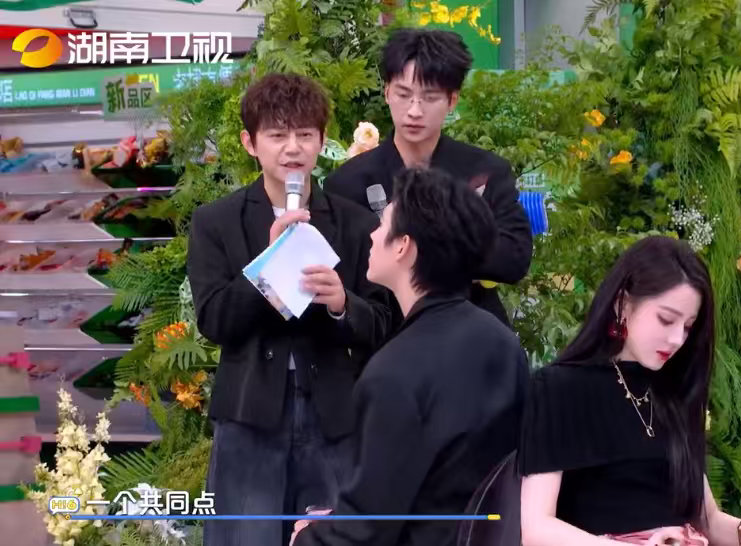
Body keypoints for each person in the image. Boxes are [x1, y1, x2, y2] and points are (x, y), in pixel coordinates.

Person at [187, 73, 394, 546]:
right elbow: (214, 319)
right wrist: (271, 268)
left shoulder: (354, 222)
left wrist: (342, 304)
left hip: (334, 414)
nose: (292, 148)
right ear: (250, 143)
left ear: (322, 140)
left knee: (334, 538)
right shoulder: (217, 221)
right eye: (277, 135)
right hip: (249, 412)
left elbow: (384, 321)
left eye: (304, 134)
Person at [517, 236, 741, 546]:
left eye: (688, 326)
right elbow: (537, 528)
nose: (676, 339)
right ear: (622, 304)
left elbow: (709, 520)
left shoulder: (674, 393)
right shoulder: (561, 388)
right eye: (666, 319)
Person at [292, 167, 529, 546]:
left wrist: (310, 537)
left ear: (403, 245)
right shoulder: (501, 342)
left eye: (382, 224)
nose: (372, 235)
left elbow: (369, 529)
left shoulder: (393, 371)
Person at [325, 28, 532, 326]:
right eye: (403, 94)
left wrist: (423, 243)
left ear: (452, 100)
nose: (414, 110)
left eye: (430, 97)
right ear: (387, 92)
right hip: (386, 338)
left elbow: (514, 257)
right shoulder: (349, 181)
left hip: (471, 332)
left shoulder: (485, 170)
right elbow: (347, 273)